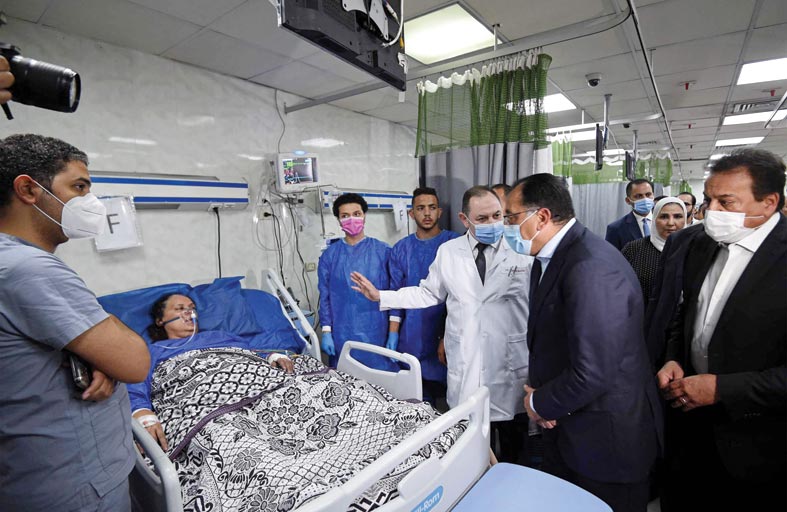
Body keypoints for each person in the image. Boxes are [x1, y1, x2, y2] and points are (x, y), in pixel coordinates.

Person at [0, 134, 151, 510]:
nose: (91, 202)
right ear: (28, 190)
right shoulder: (28, 269)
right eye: (79, 187)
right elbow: (135, 363)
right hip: (72, 485)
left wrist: (100, 356)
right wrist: (109, 358)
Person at [508, 174, 661, 512]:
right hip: (571, 422)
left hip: (605, 438)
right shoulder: (550, 258)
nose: (507, 227)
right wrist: (546, 400)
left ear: (542, 216)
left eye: (511, 217)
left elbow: (594, 370)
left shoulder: (590, 266)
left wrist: (540, 403)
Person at [350, 185, 534, 465]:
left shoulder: (521, 248)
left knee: (514, 447)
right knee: (471, 448)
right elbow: (428, 293)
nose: (492, 224)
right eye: (482, 219)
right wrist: (381, 296)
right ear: (464, 219)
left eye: (497, 216)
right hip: (467, 363)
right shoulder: (449, 252)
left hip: (509, 362)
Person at [655, 148, 786, 511]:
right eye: (708, 199)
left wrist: (722, 389)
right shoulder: (700, 244)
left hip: (759, 444)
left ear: (768, 203)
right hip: (688, 427)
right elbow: (687, 313)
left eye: (725, 202)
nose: (711, 212)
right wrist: (673, 357)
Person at [129, 293, 294, 450]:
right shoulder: (153, 350)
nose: (189, 312)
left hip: (259, 384)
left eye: (192, 308)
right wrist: (141, 411)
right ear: (160, 320)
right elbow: (135, 382)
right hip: (206, 405)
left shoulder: (220, 336)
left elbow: (251, 352)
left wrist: (272, 356)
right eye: (179, 309)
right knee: (231, 438)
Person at [389, 187, 459, 405]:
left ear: (440, 211)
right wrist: (392, 335)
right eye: (420, 208)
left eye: (432, 207)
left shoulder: (455, 244)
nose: (427, 213)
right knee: (418, 399)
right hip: (412, 335)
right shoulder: (401, 249)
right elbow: (396, 295)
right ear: (412, 213)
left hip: (449, 331)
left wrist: (446, 336)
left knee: (455, 397)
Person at [318, 193, 400, 371]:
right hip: (342, 334)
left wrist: (393, 332)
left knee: (380, 380)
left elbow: (394, 294)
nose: (351, 219)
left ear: (364, 216)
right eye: (345, 216)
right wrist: (326, 332)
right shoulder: (329, 256)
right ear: (338, 220)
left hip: (377, 333)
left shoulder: (384, 252)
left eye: (356, 214)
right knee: (347, 381)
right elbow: (325, 298)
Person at [621, 197, 686, 301]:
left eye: (677, 216)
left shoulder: (694, 250)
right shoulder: (634, 249)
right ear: (654, 219)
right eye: (664, 217)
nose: (670, 223)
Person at [605, 178, 655, 250]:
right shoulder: (616, 228)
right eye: (638, 196)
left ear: (653, 195)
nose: (645, 199)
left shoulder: (666, 222)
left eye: (648, 194)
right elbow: (610, 255)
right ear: (628, 200)